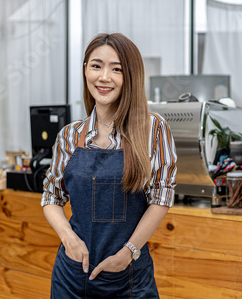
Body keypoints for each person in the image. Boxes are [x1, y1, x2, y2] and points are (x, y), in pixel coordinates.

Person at [41, 33, 177, 298]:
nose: (104, 77)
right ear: (85, 70)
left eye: (117, 69)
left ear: (131, 77)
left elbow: (161, 197)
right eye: (96, 66)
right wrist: (68, 238)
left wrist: (128, 253)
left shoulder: (153, 129)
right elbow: (51, 196)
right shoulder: (69, 135)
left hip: (128, 278)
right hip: (71, 275)